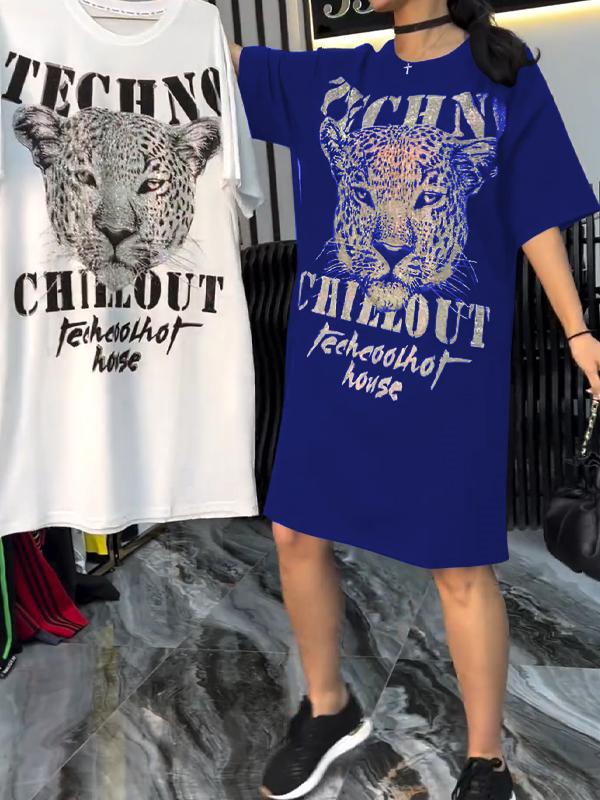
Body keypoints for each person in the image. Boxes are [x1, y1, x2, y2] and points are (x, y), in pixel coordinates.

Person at [230, 1, 600, 798]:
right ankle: (327, 709)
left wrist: (578, 330)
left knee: (458, 564)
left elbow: (536, 213)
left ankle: (486, 761)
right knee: (295, 532)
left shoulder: (502, 77)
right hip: (334, 362)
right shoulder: (340, 77)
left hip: (447, 368)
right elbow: (214, 62)